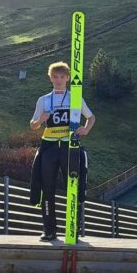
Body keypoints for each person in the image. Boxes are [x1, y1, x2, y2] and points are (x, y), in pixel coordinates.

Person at [29, 61, 95, 241]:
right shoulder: (43, 100)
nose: (58, 80)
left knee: (73, 187)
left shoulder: (75, 97)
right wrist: (41, 120)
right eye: (55, 77)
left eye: (62, 77)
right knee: (47, 188)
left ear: (67, 78)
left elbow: (91, 117)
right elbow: (33, 125)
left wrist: (86, 129)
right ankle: (49, 230)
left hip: (69, 147)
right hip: (49, 147)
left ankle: (73, 228)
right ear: (50, 78)